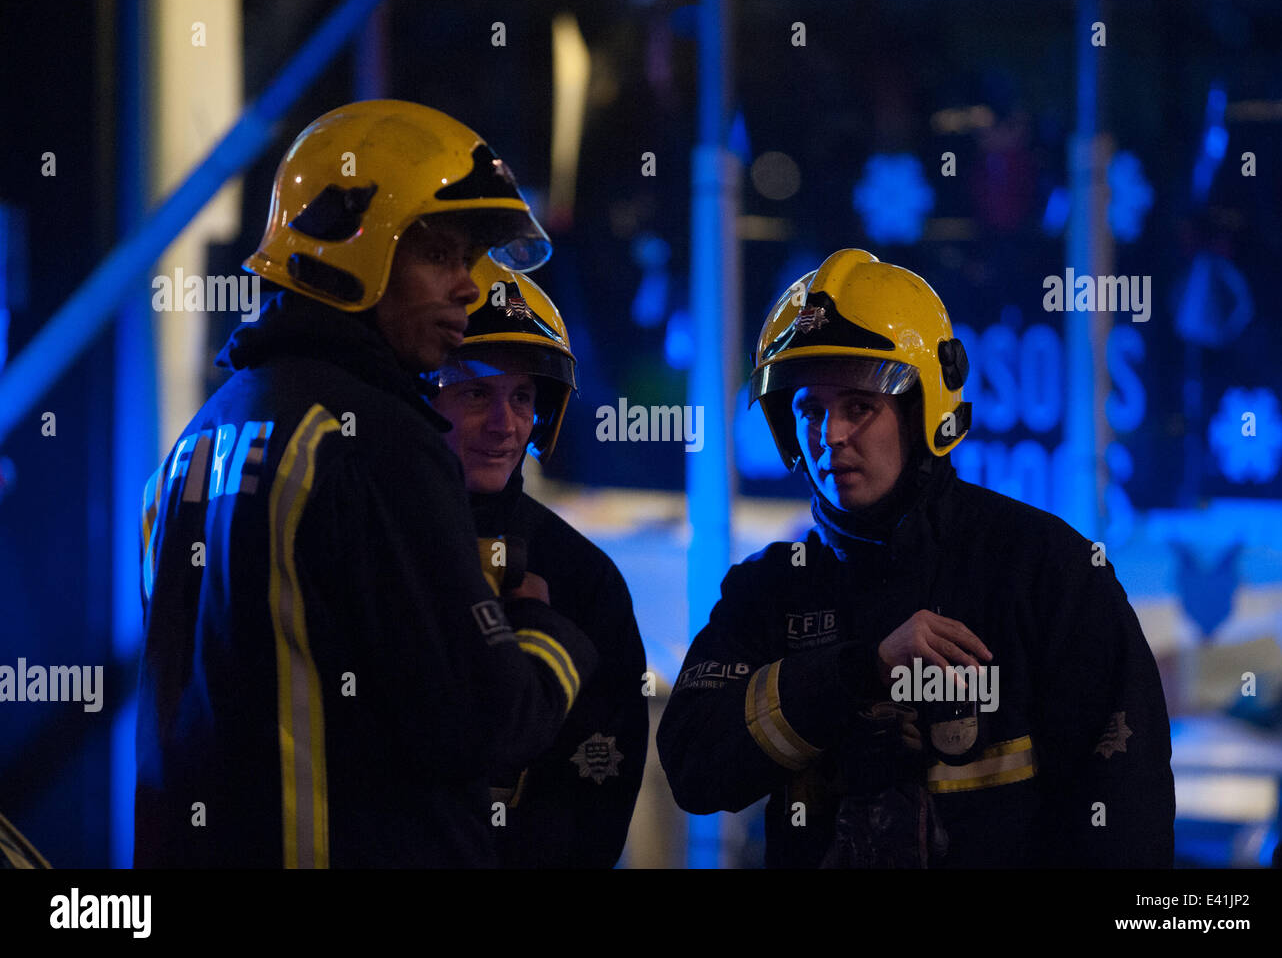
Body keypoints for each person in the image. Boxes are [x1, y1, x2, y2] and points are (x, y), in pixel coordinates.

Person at [135, 100, 597, 868]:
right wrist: (551, 637)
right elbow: (480, 721)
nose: (471, 289)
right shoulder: (374, 439)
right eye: (441, 255)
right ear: (352, 248)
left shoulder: (199, 439)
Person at [657, 248, 1175, 868]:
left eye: (859, 406)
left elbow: (1127, 816)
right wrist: (858, 673)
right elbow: (694, 767)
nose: (831, 436)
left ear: (924, 410)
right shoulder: (769, 591)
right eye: (809, 410)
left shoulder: (1047, 570)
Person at [431, 260, 648, 867]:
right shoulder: (383, 538)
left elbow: (599, 793)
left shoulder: (584, 576)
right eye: (477, 393)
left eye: (522, 397)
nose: (504, 426)